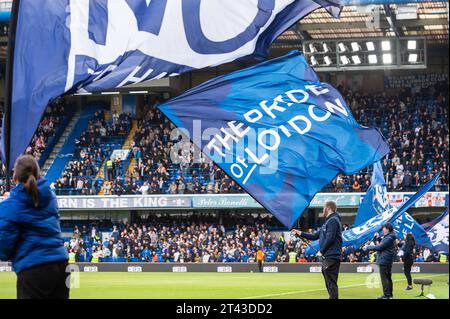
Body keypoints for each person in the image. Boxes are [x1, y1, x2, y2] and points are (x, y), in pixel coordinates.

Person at [0, 155, 69, 299]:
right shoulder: (50, 196)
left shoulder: (11, 205)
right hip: (61, 265)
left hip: (33, 268)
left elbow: (3, 249)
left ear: (14, 178)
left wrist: (5, 207)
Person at [292, 201, 342, 299]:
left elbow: (330, 238)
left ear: (328, 208)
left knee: (331, 283)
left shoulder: (333, 220)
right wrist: (300, 233)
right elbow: (314, 236)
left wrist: (322, 250)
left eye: (323, 208)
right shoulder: (328, 222)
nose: (322, 210)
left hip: (331, 256)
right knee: (329, 283)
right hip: (328, 256)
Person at [365, 223, 397, 299]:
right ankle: (390, 295)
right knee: (388, 278)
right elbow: (383, 244)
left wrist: (368, 247)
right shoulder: (390, 237)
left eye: (384, 228)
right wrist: (378, 238)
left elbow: (380, 247)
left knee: (385, 278)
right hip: (386, 259)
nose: (383, 229)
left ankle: (386, 295)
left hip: (384, 260)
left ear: (387, 229)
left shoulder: (389, 238)